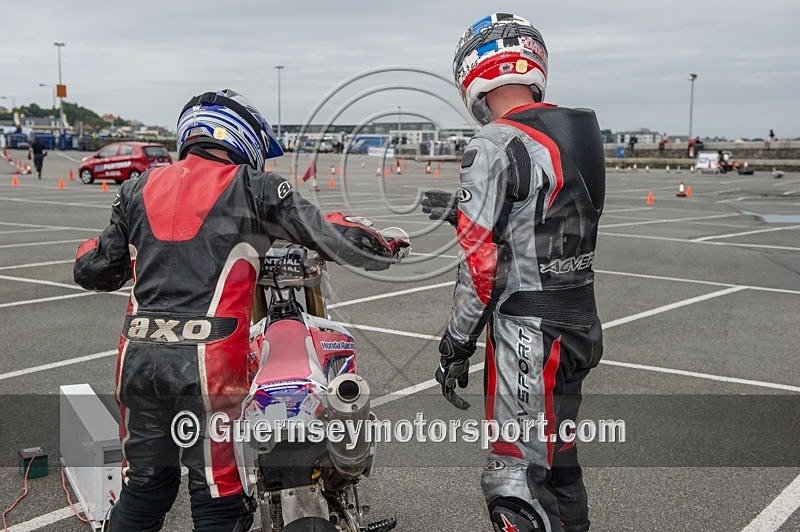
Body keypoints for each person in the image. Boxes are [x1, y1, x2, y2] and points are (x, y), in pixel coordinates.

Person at [73, 89, 407, 532]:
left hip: (136, 357)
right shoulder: (254, 187)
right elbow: (331, 235)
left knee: (145, 488)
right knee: (218, 496)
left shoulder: (137, 188)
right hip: (207, 363)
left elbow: (94, 269)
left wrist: (91, 249)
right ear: (243, 137)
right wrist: (384, 241)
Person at [423, 13, 604, 532]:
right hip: (578, 322)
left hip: (529, 333)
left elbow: (481, 269)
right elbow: (547, 214)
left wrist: (455, 344)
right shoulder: (580, 130)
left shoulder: (492, 143)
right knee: (560, 472)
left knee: (514, 481)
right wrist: (467, 209)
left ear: (474, 69)